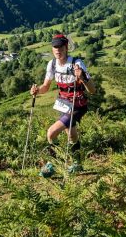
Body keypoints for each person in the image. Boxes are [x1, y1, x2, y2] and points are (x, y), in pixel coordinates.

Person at [31, 34, 96, 177]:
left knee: (51, 133)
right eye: (55, 47)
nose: (57, 50)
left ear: (66, 47)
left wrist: (83, 77)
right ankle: (78, 164)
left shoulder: (77, 64)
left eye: (60, 46)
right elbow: (46, 87)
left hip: (77, 104)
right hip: (63, 104)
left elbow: (92, 90)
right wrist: (37, 91)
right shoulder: (52, 64)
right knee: (71, 135)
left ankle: (52, 165)